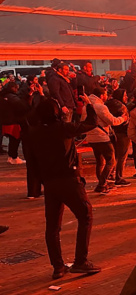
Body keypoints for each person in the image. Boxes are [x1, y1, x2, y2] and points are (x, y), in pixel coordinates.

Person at [26, 97, 102, 279]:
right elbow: (91, 123)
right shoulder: (63, 128)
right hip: (69, 179)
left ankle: (58, 266)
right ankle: (80, 261)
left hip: (50, 183)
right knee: (85, 216)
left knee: (52, 226)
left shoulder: (34, 133)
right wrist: (88, 105)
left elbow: (32, 163)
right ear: (57, 111)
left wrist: (38, 185)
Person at [87, 87, 128, 194]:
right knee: (111, 160)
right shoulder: (100, 107)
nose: (106, 96)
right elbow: (112, 121)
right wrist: (123, 119)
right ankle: (102, 184)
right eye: (105, 94)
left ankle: (103, 183)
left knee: (100, 161)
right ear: (101, 96)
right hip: (101, 137)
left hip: (91, 136)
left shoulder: (87, 106)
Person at [107, 89, 132, 187]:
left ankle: (111, 174)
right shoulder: (122, 107)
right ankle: (119, 177)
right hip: (122, 133)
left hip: (110, 133)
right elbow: (126, 121)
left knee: (114, 155)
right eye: (125, 95)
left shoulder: (107, 104)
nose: (126, 97)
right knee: (122, 156)